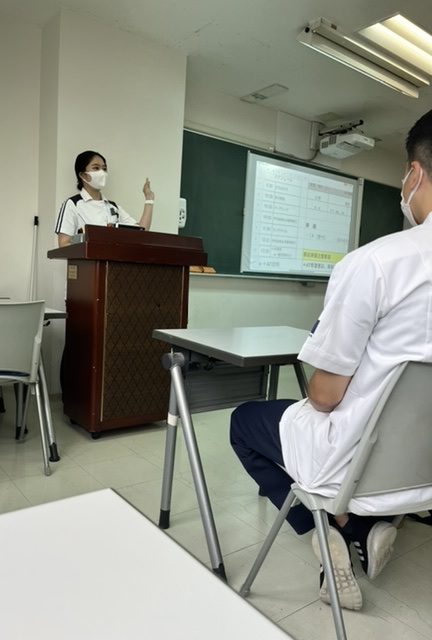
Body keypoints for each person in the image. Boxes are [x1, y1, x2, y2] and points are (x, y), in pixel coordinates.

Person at [230, 109, 432, 611]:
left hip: (352, 467)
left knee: (244, 422)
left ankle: (330, 529)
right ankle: (362, 525)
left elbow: (323, 397)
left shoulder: (376, 263)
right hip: (423, 467)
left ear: (414, 173)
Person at [55, 150, 155, 246]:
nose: (102, 172)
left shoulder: (112, 207)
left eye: (104, 168)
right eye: (96, 168)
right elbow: (63, 243)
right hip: (87, 258)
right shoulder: (72, 204)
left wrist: (149, 199)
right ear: (83, 175)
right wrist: (91, 240)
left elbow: (141, 232)